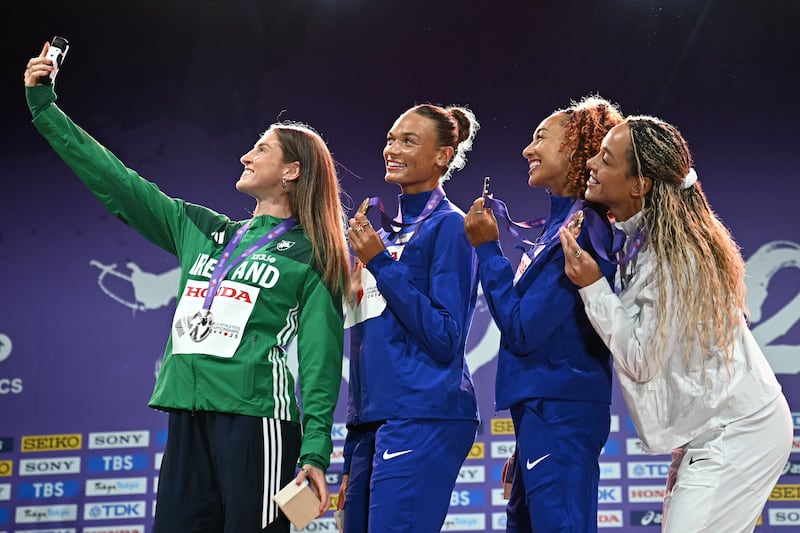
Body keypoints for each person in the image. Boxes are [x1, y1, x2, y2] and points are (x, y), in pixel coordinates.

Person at [24, 41, 350, 533]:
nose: (245, 155)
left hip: (256, 422)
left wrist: (316, 453)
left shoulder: (312, 253)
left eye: (261, 148)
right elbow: (116, 182)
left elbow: (321, 365)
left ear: (292, 171)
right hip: (187, 418)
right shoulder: (202, 230)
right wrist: (45, 109)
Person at [559, 115, 793, 532]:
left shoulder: (674, 255)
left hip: (736, 430)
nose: (592, 162)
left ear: (639, 185)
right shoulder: (642, 235)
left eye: (606, 159)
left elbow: (641, 360)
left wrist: (592, 285)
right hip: (709, 431)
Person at [464, 95, 624, 532]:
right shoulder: (562, 225)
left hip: (559, 411)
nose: (526, 150)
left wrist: (487, 249)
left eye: (540, 138)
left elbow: (522, 329)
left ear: (575, 149)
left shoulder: (584, 225)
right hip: (543, 413)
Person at [340, 103, 481, 532]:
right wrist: (351, 448)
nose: (391, 149)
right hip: (372, 419)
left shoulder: (450, 227)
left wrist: (381, 264)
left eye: (407, 141)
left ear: (443, 156)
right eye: (389, 139)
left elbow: (444, 336)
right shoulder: (380, 233)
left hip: (424, 412)